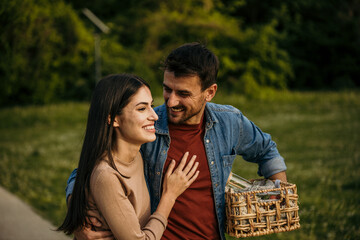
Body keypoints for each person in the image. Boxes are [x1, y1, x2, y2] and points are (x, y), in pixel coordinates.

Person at [65, 43, 287, 240]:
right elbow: (92, 169)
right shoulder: (146, 127)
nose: (171, 102)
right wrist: (79, 216)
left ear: (210, 92)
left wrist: (281, 201)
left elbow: (267, 151)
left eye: (183, 93)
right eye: (167, 89)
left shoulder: (230, 123)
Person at [58, 74, 199, 240]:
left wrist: (75, 200)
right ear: (113, 119)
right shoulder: (107, 175)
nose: (154, 116)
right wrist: (169, 196)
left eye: (151, 105)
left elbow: (84, 173)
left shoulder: (136, 154)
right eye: (141, 108)